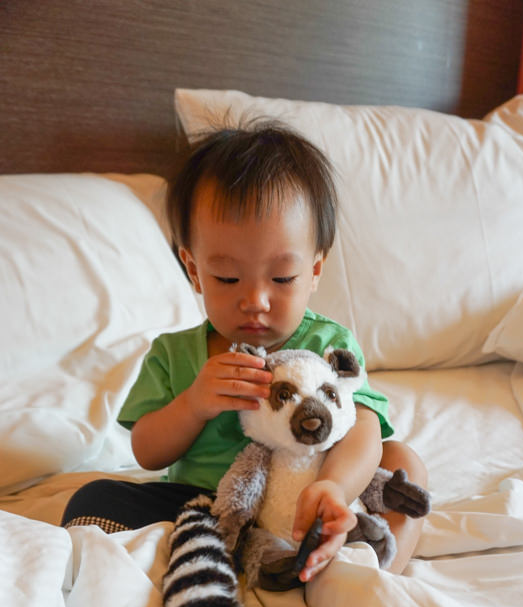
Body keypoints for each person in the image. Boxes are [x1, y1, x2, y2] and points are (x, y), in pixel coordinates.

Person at [62, 122, 428, 580]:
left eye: (281, 279)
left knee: (403, 462)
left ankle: (379, 565)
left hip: (307, 496)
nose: (255, 299)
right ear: (193, 271)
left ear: (314, 270)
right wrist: (194, 404)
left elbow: (364, 431)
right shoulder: (175, 354)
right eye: (228, 279)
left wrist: (334, 486)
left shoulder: (328, 345)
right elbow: (147, 452)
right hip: (208, 504)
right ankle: (248, 552)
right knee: (91, 499)